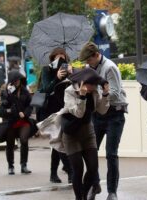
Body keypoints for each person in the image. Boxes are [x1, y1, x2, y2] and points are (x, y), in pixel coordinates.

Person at [79, 42, 128, 200]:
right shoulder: (90, 69)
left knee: (111, 154)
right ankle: (95, 184)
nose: (87, 63)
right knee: (89, 152)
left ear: (95, 55)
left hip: (114, 114)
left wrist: (98, 92)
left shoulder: (109, 67)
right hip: (97, 114)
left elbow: (115, 92)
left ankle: (112, 192)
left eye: (88, 60)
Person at [62, 68, 110, 200]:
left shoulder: (94, 91)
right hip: (72, 134)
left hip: (88, 131)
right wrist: (82, 96)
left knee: (93, 167)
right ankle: (80, 197)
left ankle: (84, 193)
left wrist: (105, 95)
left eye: (96, 85)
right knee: (78, 170)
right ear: (84, 82)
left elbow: (102, 110)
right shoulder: (69, 91)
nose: (94, 87)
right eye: (92, 85)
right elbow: (78, 113)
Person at [37, 47, 73, 183]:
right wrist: (57, 78)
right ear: (52, 58)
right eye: (57, 57)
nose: (60, 59)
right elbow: (46, 89)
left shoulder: (68, 69)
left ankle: (54, 173)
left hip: (65, 107)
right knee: (59, 140)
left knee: (60, 141)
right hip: (51, 109)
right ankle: (70, 171)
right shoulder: (47, 70)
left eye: (62, 57)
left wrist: (71, 73)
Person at [0, 71, 35, 175]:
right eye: (16, 80)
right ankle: (10, 165)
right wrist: (10, 95)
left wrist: (25, 113)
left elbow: (30, 104)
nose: (18, 82)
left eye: (19, 80)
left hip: (23, 121)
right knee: (10, 143)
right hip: (10, 121)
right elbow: (4, 106)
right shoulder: (5, 91)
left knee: (24, 140)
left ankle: (24, 165)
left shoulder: (24, 91)